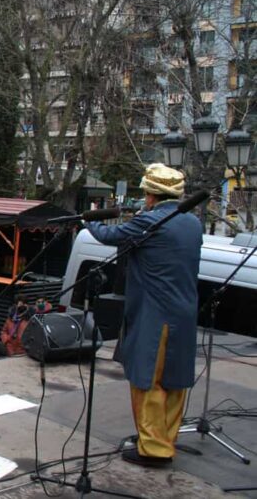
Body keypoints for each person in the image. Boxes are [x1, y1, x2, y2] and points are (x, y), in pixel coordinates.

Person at [84, 163, 201, 467]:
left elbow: (110, 235)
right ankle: (165, 439)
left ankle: (153, 449)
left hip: (155, 314)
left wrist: (87, 220)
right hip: (185, 313)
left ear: (151, 195)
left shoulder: (152, 221)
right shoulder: (192, 223)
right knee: (175, 381)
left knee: (148, 380)